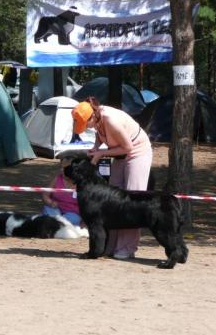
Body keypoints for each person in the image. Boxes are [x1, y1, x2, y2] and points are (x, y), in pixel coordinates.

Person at [72, 96, 152, 260]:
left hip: (137, 153)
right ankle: (111, 246)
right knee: (111, 201)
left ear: (92, 116)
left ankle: (127, 248)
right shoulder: (98, 119)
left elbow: (128, 147)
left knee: (131, 202)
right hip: (120, 154)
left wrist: (102, 153)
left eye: (85, 124)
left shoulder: (111, 119)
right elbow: (100, 133)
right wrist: (95, 148)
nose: (86, 128)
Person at [41, 156, 85, 228]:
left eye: (65, 168)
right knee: (49, 211)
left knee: (73, 219)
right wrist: (50, 202)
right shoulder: (57, 179)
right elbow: (45, 195)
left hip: (73, 214)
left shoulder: (82, 183)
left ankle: (54, 225)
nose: (62, 170)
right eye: (61, 167)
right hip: (55, 211)